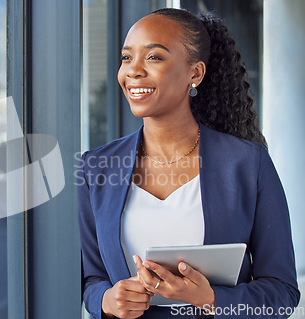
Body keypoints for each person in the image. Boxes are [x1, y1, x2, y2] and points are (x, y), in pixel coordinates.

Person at [77, 8, 300, 319]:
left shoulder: (248, 164)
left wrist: (211, 299)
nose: (133, 70)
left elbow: (282, 293)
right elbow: (90, 279)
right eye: (127, 57)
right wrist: (106, 299)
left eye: (153, 57)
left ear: (195, 74)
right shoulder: (96, 168)